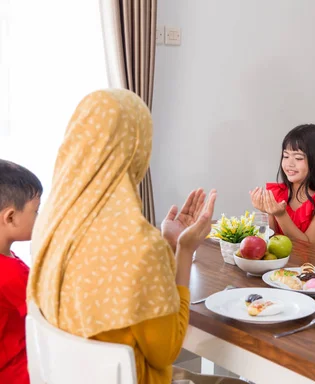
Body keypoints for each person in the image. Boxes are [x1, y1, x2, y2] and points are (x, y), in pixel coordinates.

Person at [27, 89, 237, 384]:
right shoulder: (139, 246)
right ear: (136, 148)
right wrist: (184, 251)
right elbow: (166, 351)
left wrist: (168, 244)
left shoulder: (51, 224)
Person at [250, 124, 315, 250]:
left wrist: (280, 215)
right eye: (285, 156)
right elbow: (269, 241)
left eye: (298, 158)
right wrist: (265, 212)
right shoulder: (278, 193)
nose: (289, 163)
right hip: (283, 267)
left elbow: (308, 249)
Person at [0, 160, 43, 384]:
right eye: (36, 211)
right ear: (10, 217)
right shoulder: (10, 272)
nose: (40, 218)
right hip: (18, 372)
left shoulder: (8, 261)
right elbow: (48, 313)